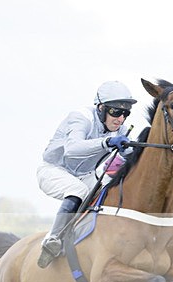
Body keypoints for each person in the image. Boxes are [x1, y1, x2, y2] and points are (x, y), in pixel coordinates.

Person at [36, 80, 136, 268]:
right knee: (78, 190)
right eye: (116, 112)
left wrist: (127, 155)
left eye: (125, 113)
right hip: (53, 170)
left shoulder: (121, 129)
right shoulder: (81, 117)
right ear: (100, 108)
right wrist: (107, 142)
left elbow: (124, 160)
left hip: (85, 174)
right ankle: (52, 240)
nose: (121, 119)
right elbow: (71, 149)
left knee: (108, 190)